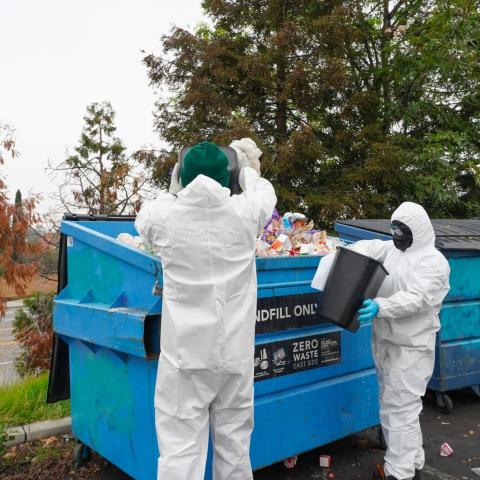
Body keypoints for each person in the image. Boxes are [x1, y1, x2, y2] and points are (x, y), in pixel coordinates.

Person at [135, 139, 277, 480]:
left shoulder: (165, 216)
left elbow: (144, 220)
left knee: (181, 452)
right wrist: (248, 172)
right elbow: (264, 195)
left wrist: (173, 189)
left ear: (182, 177)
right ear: (225, 178)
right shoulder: (244, 213)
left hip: (185, 358)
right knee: (234, 448)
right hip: (234, 356)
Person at [352, 202, 450, 480]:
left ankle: (399, 472)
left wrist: (381, 307)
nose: (397, 234)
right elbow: (370, 247)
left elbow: (418, 298)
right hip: (386, 342)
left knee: (399, 409)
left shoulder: (433, 261)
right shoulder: (392, 251)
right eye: (394, 229)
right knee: (400, 407)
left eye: (402, 229)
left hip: (411, 348)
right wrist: (343, 252)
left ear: (416, 230)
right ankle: (414, 459)